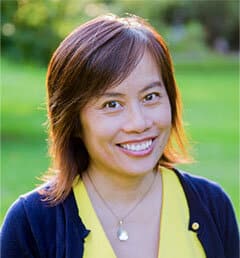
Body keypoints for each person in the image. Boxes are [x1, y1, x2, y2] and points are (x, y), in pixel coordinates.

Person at [1, 14, 239, 258]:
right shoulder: (32, 223)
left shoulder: (212, 205)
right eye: (112, 104)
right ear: (73, 121)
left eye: (150, 97)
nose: (139, 123)